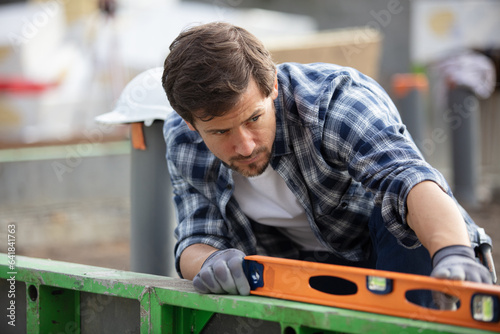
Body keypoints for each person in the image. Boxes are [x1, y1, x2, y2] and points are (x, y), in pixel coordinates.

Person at [161, 22, 494, 306]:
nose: (244, 145)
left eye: (253, 118)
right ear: (191, 123)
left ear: (273, 87)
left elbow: (406, 179)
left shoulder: (332, 101)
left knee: (403, 215)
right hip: (293, 270)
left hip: (387, 255)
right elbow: (196, 234)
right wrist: (212, 261)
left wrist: (454, 253)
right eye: (220, 131)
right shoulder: (183, 138)